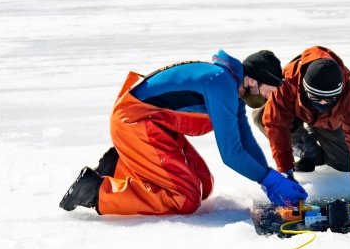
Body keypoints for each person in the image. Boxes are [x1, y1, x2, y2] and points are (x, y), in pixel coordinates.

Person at [59, 49, 308, 215]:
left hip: (158, 126)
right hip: (135, 122)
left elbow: (246, 142)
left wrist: (271, 178)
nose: (270, 97)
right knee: (185, 198)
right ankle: (96, 191)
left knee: (203, 184)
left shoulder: (233, 89)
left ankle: (120, 167)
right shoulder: (220, 84)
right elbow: (231, 154)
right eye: (270, 90)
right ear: (253, 81)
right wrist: (267, 179)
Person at [255, 46, 350, 206]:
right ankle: (304, 145)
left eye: (328, 100)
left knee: (345, 164)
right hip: (295, 113)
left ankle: (317, 141)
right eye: (315, 97)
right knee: (262, 116)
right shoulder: (288, 80)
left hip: (330, 123)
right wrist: (285, 170)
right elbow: (276, 124)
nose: (322, 103)